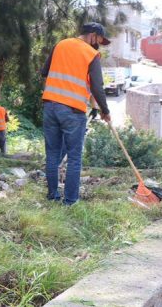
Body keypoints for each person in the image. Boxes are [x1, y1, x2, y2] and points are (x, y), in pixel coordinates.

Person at [41, 22, 111, 205]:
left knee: (52, 154)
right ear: (93, 35)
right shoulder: (91, 54)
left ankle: (52, 197)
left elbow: (44, 72)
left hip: (50, 106)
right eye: (99, 41)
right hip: (72, 110)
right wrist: (105, 111)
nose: (98, 45)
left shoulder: (60, 44)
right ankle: (70, 201)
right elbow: (97, 87)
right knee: (74, 158)